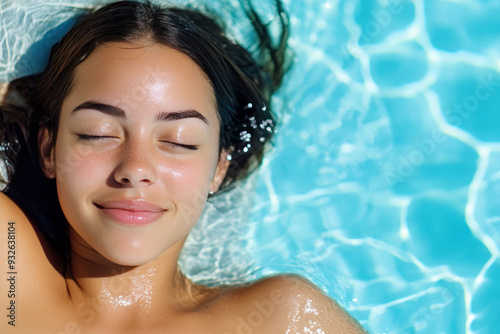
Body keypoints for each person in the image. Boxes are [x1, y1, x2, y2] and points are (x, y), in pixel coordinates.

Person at [0, 1, 366, 332]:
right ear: (49, 150)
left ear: (219, 167)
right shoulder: (10, 269)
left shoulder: (284, 318)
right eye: (99, 133)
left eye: (179, 142)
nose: (136, 168)